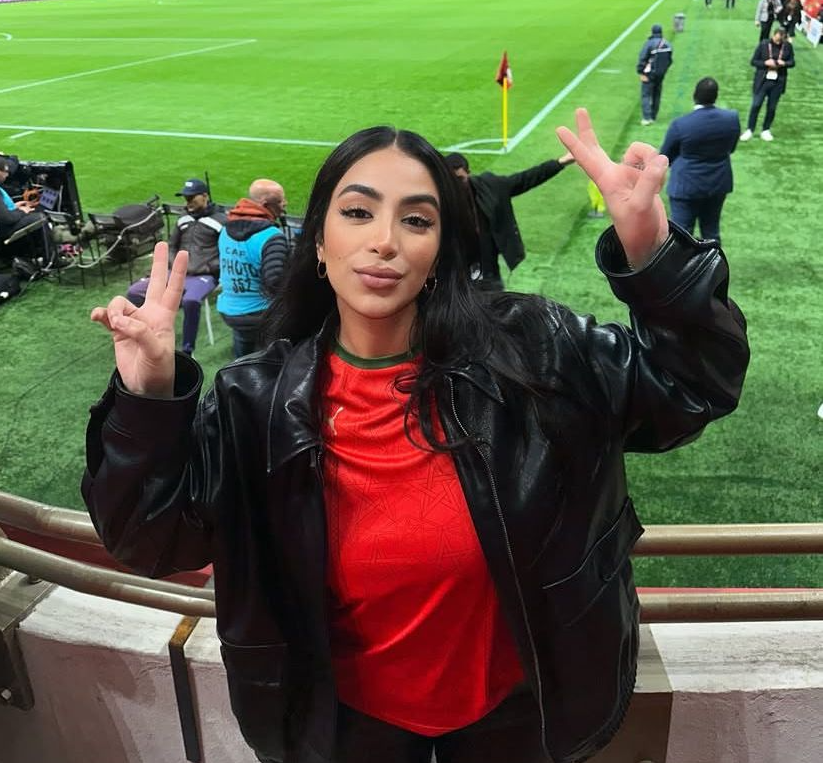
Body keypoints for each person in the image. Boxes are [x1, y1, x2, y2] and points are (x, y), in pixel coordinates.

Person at [84, 112, 749, 763]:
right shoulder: (252, 402)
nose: (385, 241)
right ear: (317, 242)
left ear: (438, 254)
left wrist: (651, 251)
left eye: (417, 220)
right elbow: (147, 538)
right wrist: (147, 397)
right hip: (341, 733)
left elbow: (693, 386)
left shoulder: (535, 349)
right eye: (357, 212)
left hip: (522, 723)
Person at [443, 150, 575, 290]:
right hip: (456, 275)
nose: (455, 185)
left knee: (494, 301)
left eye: (459, 179)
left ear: (469, 173)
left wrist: (560, 163)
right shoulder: (439, 199)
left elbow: (525, 179)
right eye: (451, 180)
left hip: (488, 271)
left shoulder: (489, 186)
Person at [126, 178, 226, 355]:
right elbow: (172, 245)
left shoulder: (221, 220)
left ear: (204, 196)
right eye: (185, 198)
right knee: (134, 291)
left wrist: (207, 266)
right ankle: (145, 336)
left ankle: (187, 350)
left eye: (191, 198)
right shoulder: (183, 218)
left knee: (191, 300)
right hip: (176, 272)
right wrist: (174, 263)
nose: (187, 202)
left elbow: (226, 252)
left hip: (204, 275)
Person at [659, 77, 740, 245]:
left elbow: (666, 156)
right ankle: (713, 262)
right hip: (717, 184)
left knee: (681, 236)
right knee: (711, 232)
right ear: (716, 96)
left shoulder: (681, 124)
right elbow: (731, 148)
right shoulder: (731, 118)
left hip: (685, 186)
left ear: (695, 95)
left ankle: (682, 263)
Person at [217, 178, 290, 357]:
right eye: (281, 201)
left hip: (230, 311)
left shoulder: (225, 230)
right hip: (260, 314)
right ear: (266, 205)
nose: (285, 204)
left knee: (242, 359)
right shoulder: (271, 236)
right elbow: (275, 283)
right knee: (270, 362)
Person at [0, 155, 54, 268]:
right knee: (40, 217)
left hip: (1, 225)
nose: (7, 175)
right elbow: (6, 218)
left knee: (36, 211)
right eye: (6, 172)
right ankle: (51, 260)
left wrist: (15, 207)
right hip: (0, 231)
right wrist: (22, 211)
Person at [740, 27, 795, 142]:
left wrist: (784, 63)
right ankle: (750, 129)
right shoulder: (764, 44)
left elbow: (792, 62)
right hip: (762, 80)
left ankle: (766, 129)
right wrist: (765, 63)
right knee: (756, 105)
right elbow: (753, 61)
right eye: (778, 39)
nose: (779, 42)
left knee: (772, 107)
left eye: (781, 39)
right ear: (774, 35)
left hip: (778, 81)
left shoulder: (787, 46)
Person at [636, 24, 673, 126]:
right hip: (660, 74)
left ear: (652, 32)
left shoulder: (649, 43)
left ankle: (647, 118)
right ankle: (653, 116)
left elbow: (642, 58)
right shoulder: (667, 44)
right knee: (657, 94)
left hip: (649, 74)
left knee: (646, 95)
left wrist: (641, 72)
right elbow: (670, 60)